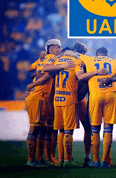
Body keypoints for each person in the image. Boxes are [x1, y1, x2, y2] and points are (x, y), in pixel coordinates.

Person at [25, 39, 62, 167]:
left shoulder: (42, 59)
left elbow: (29, 68)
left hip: (40, 96)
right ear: (51, 49)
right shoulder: (52, 59)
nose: (60, 49)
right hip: (38, 96)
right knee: (35, 128)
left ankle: (40, 159)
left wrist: (37, 68)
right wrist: (34, 83)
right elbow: (47, 75)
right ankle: (31, 160)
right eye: (58, 47)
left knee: (41, 129)